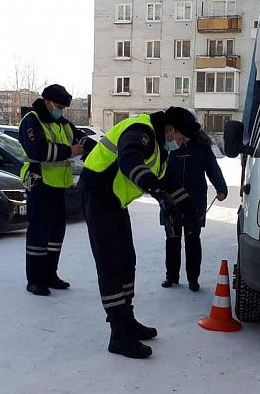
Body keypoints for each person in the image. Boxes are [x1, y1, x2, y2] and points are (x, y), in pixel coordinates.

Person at [79, 107, 200, 359]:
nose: (180, 144)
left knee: (127, 261)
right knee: (111, 264)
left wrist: (189, 209)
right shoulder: (140, 131)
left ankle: (127, 319)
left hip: (115, 202)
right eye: (180, 139)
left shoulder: (160, 149)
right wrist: (155, 191)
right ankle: (118, 333)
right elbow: (129, 160)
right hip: (98, 196)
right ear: (170, 129)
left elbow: (170, 181)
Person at [18, 84, 95, 297]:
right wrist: (70, 151)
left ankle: (50, 275)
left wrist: (88, 146)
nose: (60, 110)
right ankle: (34, 280)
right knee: (39, 234)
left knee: (55, 235)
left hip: (59, 186)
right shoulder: (32, 120)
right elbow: (38, 149)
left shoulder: (61, 122)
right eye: (58, 105)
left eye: (63, 107)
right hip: (40, 183)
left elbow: (79, 136)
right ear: (47, 101)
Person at [160, 130, 228, 292]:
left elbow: (213, 170)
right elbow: (158, 171)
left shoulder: (201, 148)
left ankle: (193, 279)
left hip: (194, 202)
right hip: (171, 202)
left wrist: (221, 188)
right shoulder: (167, 148)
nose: (180, 135)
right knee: (172, 240)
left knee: (192, 240)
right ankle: (171, 276)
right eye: (177, 131)